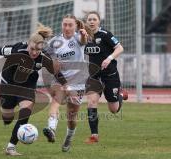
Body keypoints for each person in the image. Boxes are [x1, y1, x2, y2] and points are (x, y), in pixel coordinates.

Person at [0, 23, 65, 156]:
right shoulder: (17, 49)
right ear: (28, 44)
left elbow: (55, 72)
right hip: (9, 85)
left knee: (26, 111)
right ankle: (7, 118)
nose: (35, 53)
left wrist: (66, 85)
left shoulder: (44, 57)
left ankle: (11, 147)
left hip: (27, 86)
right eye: (32, 49)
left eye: (38, 50)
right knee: (7, 117)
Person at [42, 14, 89, 152]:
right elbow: (45, 56)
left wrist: (84, 34)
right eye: (65, 24)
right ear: (61, 25)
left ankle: (69, 137)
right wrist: (53, 64)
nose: (67, 27)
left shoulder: (78, 37)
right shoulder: (55, 41)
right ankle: (51, 129)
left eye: (70, 25)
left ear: (75, 26)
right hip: (60, 80)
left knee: (71, 116)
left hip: (78, 81)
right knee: (56, 100)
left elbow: (84, 40)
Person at [83, 11, 128, 144]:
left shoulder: (105, 34)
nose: (91, 21)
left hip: (110, 75)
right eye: (89, 19)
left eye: (94, 19)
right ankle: (94, 135)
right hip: (94, 75)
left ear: (99, 21)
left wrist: (109, 58)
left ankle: (119, 95)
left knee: (113, 110)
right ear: (86, 22)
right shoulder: (84, 36)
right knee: (91, 102)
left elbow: (120, 48)